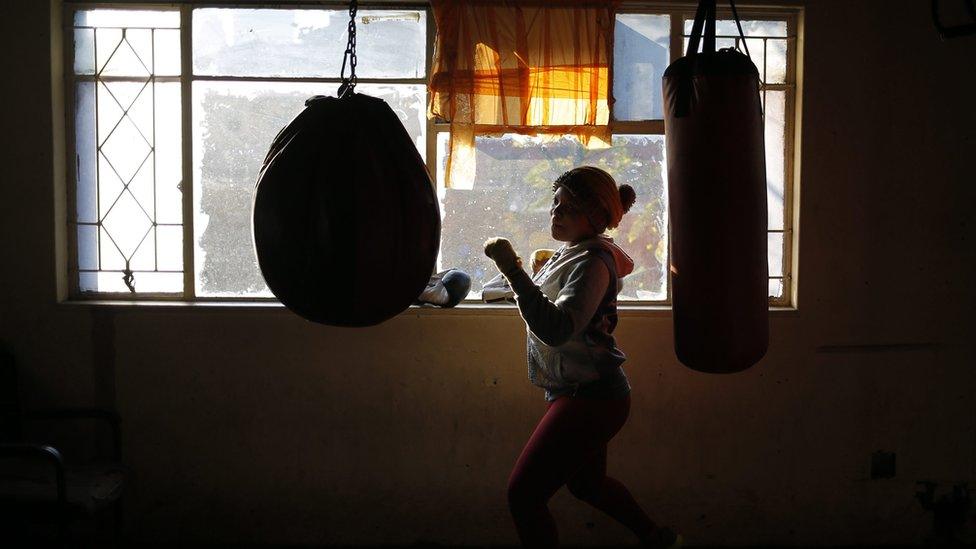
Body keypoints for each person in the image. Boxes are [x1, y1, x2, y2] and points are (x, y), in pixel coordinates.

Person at [484, 166, 681, 549]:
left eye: (567, 208)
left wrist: (513, 270)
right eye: (555, 204)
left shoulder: (592, 263)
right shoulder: (573, 253)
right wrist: (528, 279)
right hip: (581, 391)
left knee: (523, 495)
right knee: (587, 486)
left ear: (592, 217)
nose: (554, 214)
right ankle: (659, 539)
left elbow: (557, 330)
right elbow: (547, 306)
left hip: (592, 398)